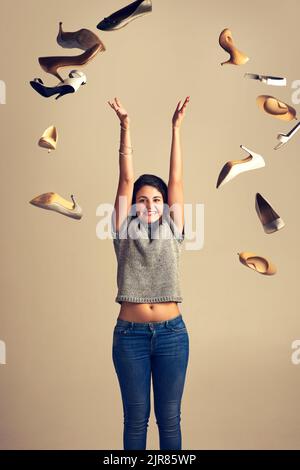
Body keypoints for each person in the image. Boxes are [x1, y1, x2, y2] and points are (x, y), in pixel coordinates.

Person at [108, 96, 190, 450]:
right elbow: (126, 179)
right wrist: (125, 128)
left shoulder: (175, 228)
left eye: (157, 199)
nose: (150, 205)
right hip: (130, 337)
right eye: (143, 200)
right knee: (135, 419)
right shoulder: (123, 231)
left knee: (169, 420)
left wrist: (176, 129)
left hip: (173, 334)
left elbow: (177, 179)